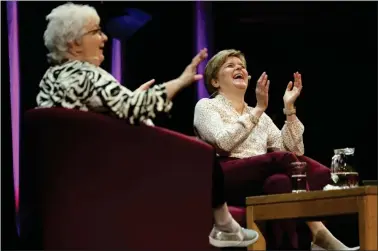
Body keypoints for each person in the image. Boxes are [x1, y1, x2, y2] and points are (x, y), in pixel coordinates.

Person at [35, 3, 258, 248]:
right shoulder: (88, 75)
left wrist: (127, 102)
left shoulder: (51, 78)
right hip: (113, 175)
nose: (104, 37)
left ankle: (224, 223)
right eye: (96, 32)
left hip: (74, 181)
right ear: (75, 43)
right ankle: (223, 224)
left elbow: (90, 121)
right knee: (203, 155)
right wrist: (179, 82)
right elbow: (136, 108)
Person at [194, 49, 359, 250]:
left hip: (259, 178)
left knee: (280, 182)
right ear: (215, 82)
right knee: (289, 163)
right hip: (224, 174)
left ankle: (302, 242)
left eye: (242, 66)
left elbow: (294, 150)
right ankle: (321, 234)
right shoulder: (206, 106)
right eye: (230, 66)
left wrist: (289, 109)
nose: (239, 68)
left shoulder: (261, 117)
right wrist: (257, 110)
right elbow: (222, 142)